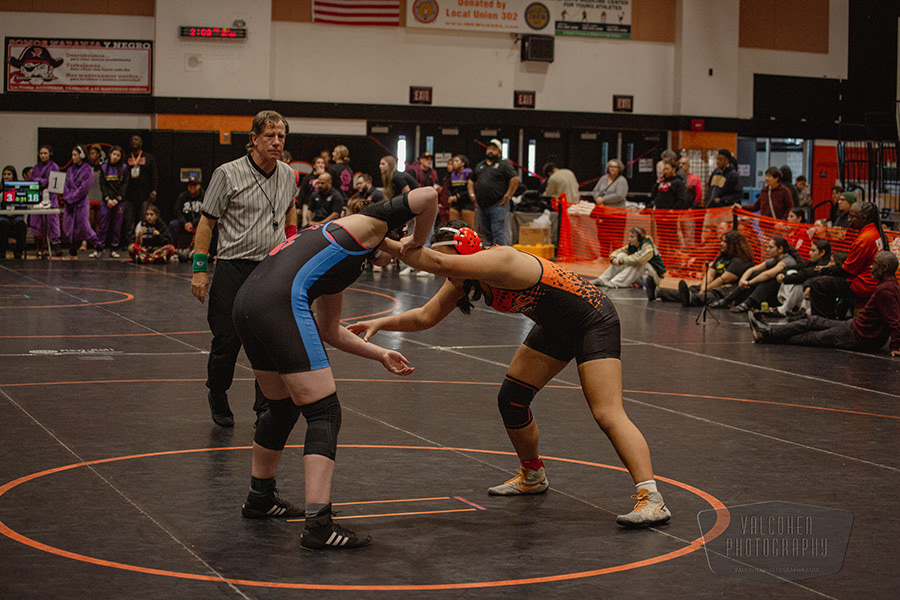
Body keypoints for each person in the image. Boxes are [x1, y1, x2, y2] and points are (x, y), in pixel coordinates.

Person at [349, 221, 671, 528]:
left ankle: (651, 497)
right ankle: (533, 475)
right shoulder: (464, 277)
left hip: (593, 321)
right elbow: (425, 316)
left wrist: (377, 239)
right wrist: (380, 323)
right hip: (555, 328)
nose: (448, 273)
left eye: (451, 264)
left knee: (607, 413)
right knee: (512, 400)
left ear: (466, 253)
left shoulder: (501, 259)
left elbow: (437, 262)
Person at [232, 187, 438, 549]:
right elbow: (428, 196)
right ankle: (318, 525)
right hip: (278, 303)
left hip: (248, 302)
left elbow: (329, 330)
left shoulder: (343, 248)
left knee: (281, 407)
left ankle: (260, 497)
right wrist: (415, 241)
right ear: (391, 233)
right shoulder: (370, 222)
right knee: (323, 412)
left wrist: (380, 354)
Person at [190, 110, 299, 428]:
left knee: (268, 342)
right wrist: (199, 269)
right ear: (254, 139)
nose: (276, 142)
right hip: (233, 268)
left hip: (271, 268)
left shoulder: (287, 174)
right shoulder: (227, 174)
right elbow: (206, 223)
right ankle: (217, 392)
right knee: (227, 340)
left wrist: (291, 247)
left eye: (281, 137)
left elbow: (290, 209)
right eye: (269, 136)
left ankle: (265, 407)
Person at [749, 251, 900, 357]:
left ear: (884, 268)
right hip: (855, 328)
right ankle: (768, 331)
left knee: (811, 337)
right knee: (813, 321)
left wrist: (895, 346)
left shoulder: (885, 290)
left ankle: (767, 334)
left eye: (875, 264)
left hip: (858, 336)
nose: (871, 267)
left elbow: (894, 320)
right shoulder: (890, 285)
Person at [809, 201, 889, 319]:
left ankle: (822, 323)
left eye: (852, 216)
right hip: (870, 280)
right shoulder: (874, 231)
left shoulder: (864, 239)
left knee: (818, 284)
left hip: (863, 284)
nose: (849, 220)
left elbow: (848, 271)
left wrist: (825, 270)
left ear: (864, 218)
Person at [650, 230, 755, 306]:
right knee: (693, 289)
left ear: (733, 245)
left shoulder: (741, 260)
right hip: (715, 284)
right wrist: (703, 287)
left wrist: (705, 289)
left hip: (730, 289)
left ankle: (693, 299)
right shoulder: (722, 257)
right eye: (721, 241)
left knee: (714, 293)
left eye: (724, 242)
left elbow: (723, 279)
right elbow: (711, 273)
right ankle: (659, 292)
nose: (721, 244)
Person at [710, 236, 800, 313]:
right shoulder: (774, 260)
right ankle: (728, 300)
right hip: (774, 293)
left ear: (780, 249)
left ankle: (748, 303)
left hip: (783, 296)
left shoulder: (787, 261)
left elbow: (767, 275)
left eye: (770, 247)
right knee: (755, 274)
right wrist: (743, 280)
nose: (767, 250)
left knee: (769, 280)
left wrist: (748, 283)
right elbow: (751, 269)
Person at [469, 139, 519, 246]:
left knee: (498, 233)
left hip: (498, 205)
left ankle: (501, 255)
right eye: (489, 148)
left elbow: (515, 178)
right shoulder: (480, 165)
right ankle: (491, 254)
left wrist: (508, 195)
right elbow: (471, 181)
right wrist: (472, 195)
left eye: (494, 149)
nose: (490, 151)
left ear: (499, 152)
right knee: (486, 233)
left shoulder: (504, 164)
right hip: (482, 205)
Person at [591, 226, 665, 289]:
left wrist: (621, 261)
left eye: (632, 237)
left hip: (654, 279)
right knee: (621, 255)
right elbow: (619, 251)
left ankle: (615, 283)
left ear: (639, 238)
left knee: (638, 263)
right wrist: (613, 259)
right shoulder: (635, 244)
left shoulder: (648, 247)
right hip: (643, 276)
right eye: (629, 236)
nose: (629, 239)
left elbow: (639, 259)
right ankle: (602, 280)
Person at [60, 146, 100, 260]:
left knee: (84, 227)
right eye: (72, 155)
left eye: (75, 155)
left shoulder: (88, 169)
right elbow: (66, 185)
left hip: (81, 204)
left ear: (82, 155)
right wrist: (67, 198)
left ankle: (99, 246)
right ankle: (73, 254)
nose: (73, 157)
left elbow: (84, 188)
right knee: (71, 229)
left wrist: (72, 198)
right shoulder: (70, 169)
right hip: (70, 204)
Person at [90, 145, 128, 258]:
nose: (115, 157)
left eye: (118, 155)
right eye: (114, 154)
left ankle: (114, 249)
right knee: (102, 225)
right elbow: (103, 185)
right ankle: (99, 248)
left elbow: (125, 185)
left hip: (119, 202)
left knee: (117, 226)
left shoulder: (124, 168)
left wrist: (117, 199)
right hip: (107, 201)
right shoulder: (103, 167)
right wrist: (108, 199)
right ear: (110, 154)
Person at [27, 145, 61, 258]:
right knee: (38, 222)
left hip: (50, 197)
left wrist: (40, 181)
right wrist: (43, 181)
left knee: (52, 222)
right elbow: (32, 180)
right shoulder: (36, 167)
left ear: (50, 154)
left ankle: (56, 245)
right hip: (38, 197)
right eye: (41, 153)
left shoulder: (54, 166)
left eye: (45, 153)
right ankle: (41, 247)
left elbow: (52, 182)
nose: (43, 155)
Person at [122, 134, 158, 243]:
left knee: (144, 219)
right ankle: (130, 243)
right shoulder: (126, 158)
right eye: (132, 140)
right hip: (129, 194)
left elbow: (154, 175)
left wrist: (154, 190)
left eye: (137, 140)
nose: (134, 141)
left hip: (145, 194)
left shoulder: (149, 157)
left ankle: (143, 242)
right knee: (129, 220)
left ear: (141, 143)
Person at [591, 158, 629, 256]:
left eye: (615, 167)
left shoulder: (622, 180)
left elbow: (620, 195)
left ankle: (615, 257)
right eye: (611, 166)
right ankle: (603, 256)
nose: (612, 169)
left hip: (617, 214)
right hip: (603, 213)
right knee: (602, 236)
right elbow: (595, 190)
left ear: (619, 169)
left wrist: (604, 199)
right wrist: (597, 199)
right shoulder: (603, 179)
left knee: (616, 238)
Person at [0, 166, 28, 260]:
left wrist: (25, 219)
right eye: (4, 174)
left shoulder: (19, 188)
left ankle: (18, 254)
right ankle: (1, 254)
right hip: (3, 215)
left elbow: (24, 206)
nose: (6, 176)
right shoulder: (0, 188)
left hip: (17, 215)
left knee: (21, 225)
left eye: (9, 174)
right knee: (3, 225)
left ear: (13, 175)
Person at [170, 176, 204, 250]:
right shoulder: (182, 196)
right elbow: (178, 212)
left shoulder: (204, 196)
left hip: (199, 222)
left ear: (199, 185)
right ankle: (174, 248)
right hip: (185, 223)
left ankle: (207, 250)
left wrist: (193, 223)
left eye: (194, 185)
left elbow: (205, 214)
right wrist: (185, 223)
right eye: (190, 185)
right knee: (173, 224)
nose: (192, 187)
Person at [446, 154, 475, 228]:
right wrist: (450, 196)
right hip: (455, 204)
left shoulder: (469, 173)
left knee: (468, 227)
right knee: (453, 226)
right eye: (453, 161)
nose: (454, 163)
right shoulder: (452, 174)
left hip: (466, 204)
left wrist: (457, 196)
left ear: (463, 163)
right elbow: (449, 188)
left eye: (457, 161)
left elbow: (469, 189)